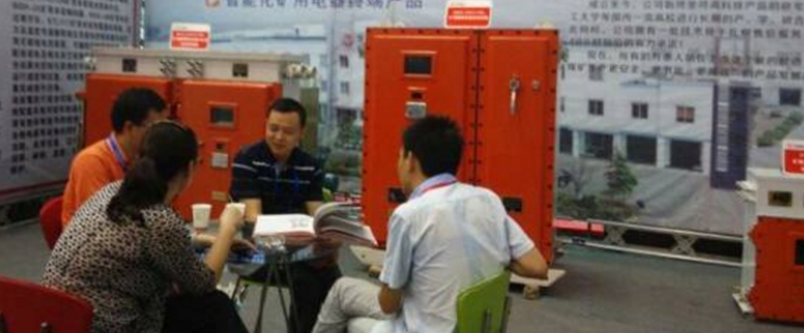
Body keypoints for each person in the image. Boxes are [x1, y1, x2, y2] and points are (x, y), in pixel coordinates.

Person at [311, 116, 549, 333]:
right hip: (476, 326)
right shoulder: (488, 200)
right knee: (348, 292)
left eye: (399, 156)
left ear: (410, 160)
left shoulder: (409, 215)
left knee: (345, 300)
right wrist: (492, 253)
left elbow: (388, 304)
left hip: (425, 326)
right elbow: (537, 267)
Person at [43, 120, 249, 333]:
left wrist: (198, 240)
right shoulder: (159, 220)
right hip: (104, 325)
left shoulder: (113, 191)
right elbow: (204, 283)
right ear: (190, 167)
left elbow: (138, 240)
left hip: (56, 318)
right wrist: (227, 228)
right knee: (214, 305)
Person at [230, 97, 339, 333]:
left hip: (299, 248)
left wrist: (330, 233)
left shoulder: (310, 165)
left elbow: (317, 215)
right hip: (258, 250)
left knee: (334, 281)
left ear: (301, 133)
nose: (279, 137)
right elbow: (253, 218)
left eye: (288, 132)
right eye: (273, 128)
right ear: (265, 125)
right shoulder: (247, 159)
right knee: (308, 278)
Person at [61, 87, 168, 226]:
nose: (160, 135)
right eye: (155, 128)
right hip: (96, 236)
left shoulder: (141, 159)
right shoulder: (91, 161)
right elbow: (100, 220)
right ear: (129, 127)